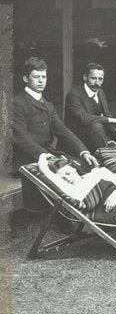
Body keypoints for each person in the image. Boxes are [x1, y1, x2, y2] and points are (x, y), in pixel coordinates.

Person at [12, 58, 98, 208]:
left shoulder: (48, 105)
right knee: (63, 172)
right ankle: (66, 215)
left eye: (43, 77)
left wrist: (83, 151)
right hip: (25, 157)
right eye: (36, 77)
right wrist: (44, 155)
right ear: (26, 78)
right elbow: (21, 137)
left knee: (82, 164)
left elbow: (63, 131)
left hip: (46, 154)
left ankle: (86, 207)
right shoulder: (16, 103)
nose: (41, 81)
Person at [63, 63, 116, 151]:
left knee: (99, 127)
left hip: (96, 136)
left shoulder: (101, 93)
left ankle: (107, 154)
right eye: (93, 78)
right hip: (77, 139)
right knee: (96, 126)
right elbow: (84, 118)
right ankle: (105, 156)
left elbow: (107, 115)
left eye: (100, 79)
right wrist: (109, 119)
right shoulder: (74, 94)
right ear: (85, 77)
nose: (97, 83)